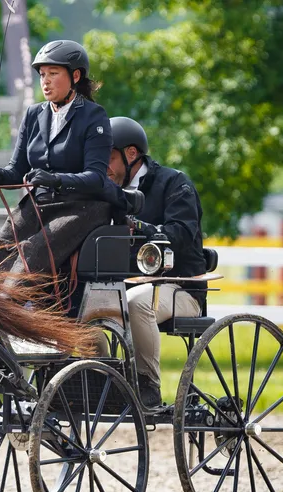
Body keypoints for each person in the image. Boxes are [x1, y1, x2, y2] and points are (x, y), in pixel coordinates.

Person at [0, 40, 130, 284]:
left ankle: (13, 313)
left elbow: (97, 178)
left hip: (81, 208)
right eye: (42, 74)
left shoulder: (94, 116)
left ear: (75, 76)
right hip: (38, 205)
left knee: (30, 257)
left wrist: (56, 179)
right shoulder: (33, 114)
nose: (45, 81)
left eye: (53, 73)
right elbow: (17, 170)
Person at [107, 116, 206, 408]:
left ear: (131, 154)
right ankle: (106, 379)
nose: (104, 166)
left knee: (138, 302)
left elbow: (183, 233)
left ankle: (147, 384)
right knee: (86, 307)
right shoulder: (108, 190)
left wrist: (139, 227)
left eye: (109, 157)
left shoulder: (175, 183)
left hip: (181, 289)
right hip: (127, 288)